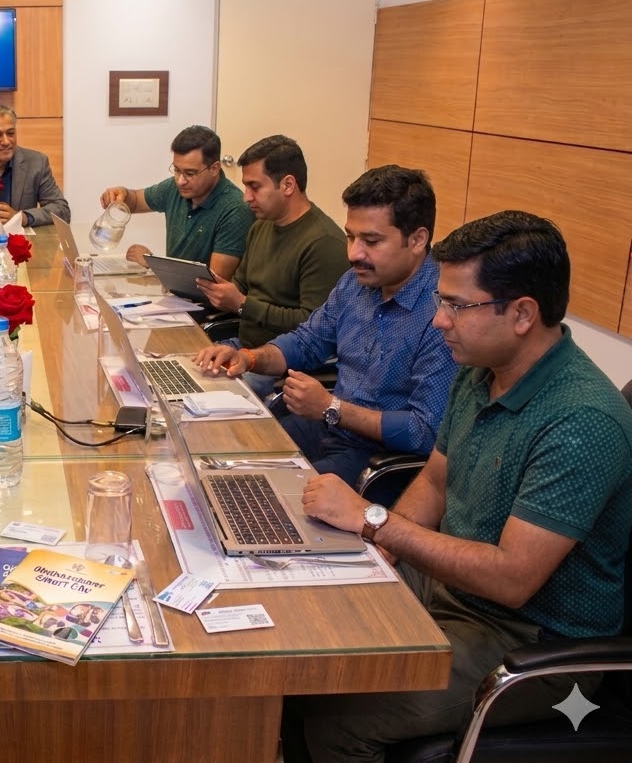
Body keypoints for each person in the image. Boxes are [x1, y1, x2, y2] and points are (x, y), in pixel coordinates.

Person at [285, 210, 632, 762]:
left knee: (337, 715)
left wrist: (375, 521)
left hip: (530, 644)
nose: (438, 320)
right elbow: (438, 479)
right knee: (303, 640)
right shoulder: (480, 370)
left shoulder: (581, 420)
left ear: (521, 314)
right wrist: (382, 549)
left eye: (455, 305)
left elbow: (512, 579)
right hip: (452, 593)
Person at [192, 165, 458, 486]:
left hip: (377, 458)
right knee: (221, 455)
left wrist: (332, 408)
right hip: (330, 428)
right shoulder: (355, 284)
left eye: (371, 241)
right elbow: (307, 341)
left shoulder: (443, 314)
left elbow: (426, 430)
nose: (354, 253)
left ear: (417, 240)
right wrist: (250, 358)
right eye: (350, 236)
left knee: (263, 491)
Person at [193, 135, 348, 395]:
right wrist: (220, 291)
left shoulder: (324, 243)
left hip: (280, 365)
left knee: (205, 402)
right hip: (242, 346)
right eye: (245, 186)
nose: (246, 197)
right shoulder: (261, 226)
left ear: (288, 185)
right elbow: (242, 284)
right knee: (179, 375)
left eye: (255, 187)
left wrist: (242, 304)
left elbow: (311, 325)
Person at [99, 125, 251, 278]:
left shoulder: (235, 209)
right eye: (177, 170)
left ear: (214, 168)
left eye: (190, 173)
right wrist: (123, 194)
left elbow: (214, 282)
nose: (180, 181)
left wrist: (152, 262)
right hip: (176, 293)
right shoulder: (175, 188)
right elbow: (136, 201)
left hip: (203, 300)